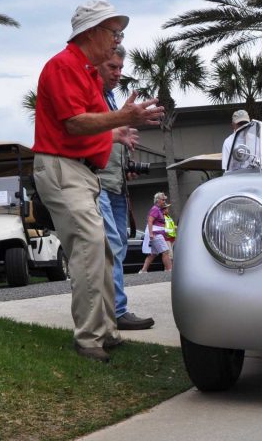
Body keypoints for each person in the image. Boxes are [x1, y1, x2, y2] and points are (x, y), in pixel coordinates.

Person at [32, 0, 164, 362]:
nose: (116, 39)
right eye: (113, 32)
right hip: (63, 169)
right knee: (90, 247)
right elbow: (74, 122)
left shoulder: (86, 71)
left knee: (102, 251)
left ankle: (104, 330)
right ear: (91, 32)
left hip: (81, 171)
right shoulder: (63, 66)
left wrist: (118, 127)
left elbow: (87, 126)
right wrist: (122, 117)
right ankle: (89, 338)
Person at [96, 45, 154, 331]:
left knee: (116, 248)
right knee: (110, 247)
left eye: (120, 68)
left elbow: (109, 138)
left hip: (116, 184)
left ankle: (115, 310)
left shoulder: (110, 97)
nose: (118, 73)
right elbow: (83, 131)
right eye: (112, 67)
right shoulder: (93, 96)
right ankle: (115, 311)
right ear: (97, 65)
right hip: (98, 184)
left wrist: (124, 165)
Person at [139, 193, 173, 273]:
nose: (164, 201)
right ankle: (169, 269)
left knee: (153, 254)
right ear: (158, 200)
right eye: (163, 200)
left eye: (165, 199)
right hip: (156, 234)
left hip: (157, 234)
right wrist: (151, 234)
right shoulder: (155, 209)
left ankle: (143, 270)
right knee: (165, 251)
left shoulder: (159, 210)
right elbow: (150, 221)